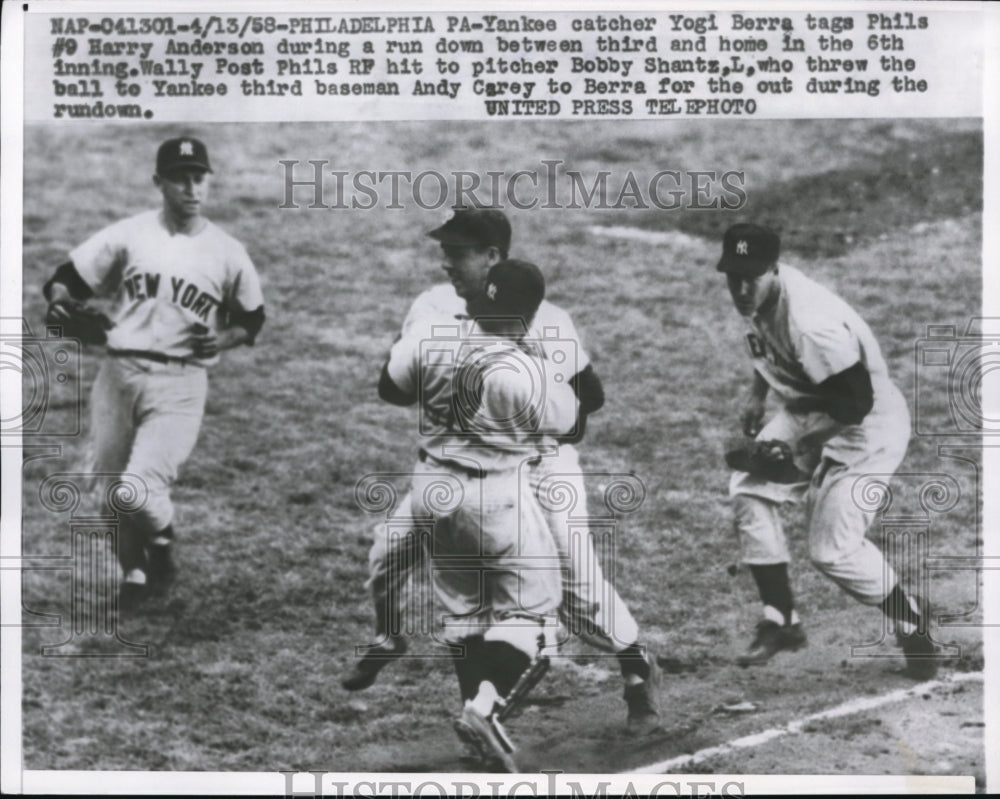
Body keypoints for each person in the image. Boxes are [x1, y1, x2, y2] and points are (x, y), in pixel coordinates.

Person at [343, 208, 661, 735]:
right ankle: (459, 696)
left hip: (538, 467)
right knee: (390, 557)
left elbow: (588, 403)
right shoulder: (429, 307)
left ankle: (636, 668)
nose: (446, 262)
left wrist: (515, 419)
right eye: (444, 250)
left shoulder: (547, 319)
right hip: (451, 468)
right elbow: (394, 383)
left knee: (577, 588)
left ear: (493, 258)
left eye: (458, 251)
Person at [42, 136, 265, 610]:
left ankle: (161, 546)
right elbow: (67, 276)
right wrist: (62, 302)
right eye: (180, 177)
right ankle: (137, 576)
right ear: (158, 182)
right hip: (118, 377)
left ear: (208, 180)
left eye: (198, 177)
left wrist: (223, 339)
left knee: (137, 490)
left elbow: (252, 319)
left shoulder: (227, 251)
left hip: (180, 384)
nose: (191, 187)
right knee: (108, 497)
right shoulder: (131, 234)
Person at [717, 222, 937, 678]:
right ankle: (781, 620)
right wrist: (757, 396)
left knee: (832, 551)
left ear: (774, 270)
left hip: (867, 430)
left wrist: (802, 448)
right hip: (810, 408)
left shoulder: (813, 325)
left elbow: (856, 404)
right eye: (732, 276)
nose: (740, 288)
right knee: (748, 489)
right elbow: (768, 348)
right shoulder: (760, 290)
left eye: (749, 278)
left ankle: (911, 621)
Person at [380, 259, 574, 770]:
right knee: (534, 620)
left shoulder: (431, 332)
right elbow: (569, 424)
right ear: (528, 316)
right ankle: (485, 710)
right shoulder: (521, 367)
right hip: (493, 498)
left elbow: (390, 386)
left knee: (465, 611)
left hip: (431, 490)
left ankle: (478, 728)